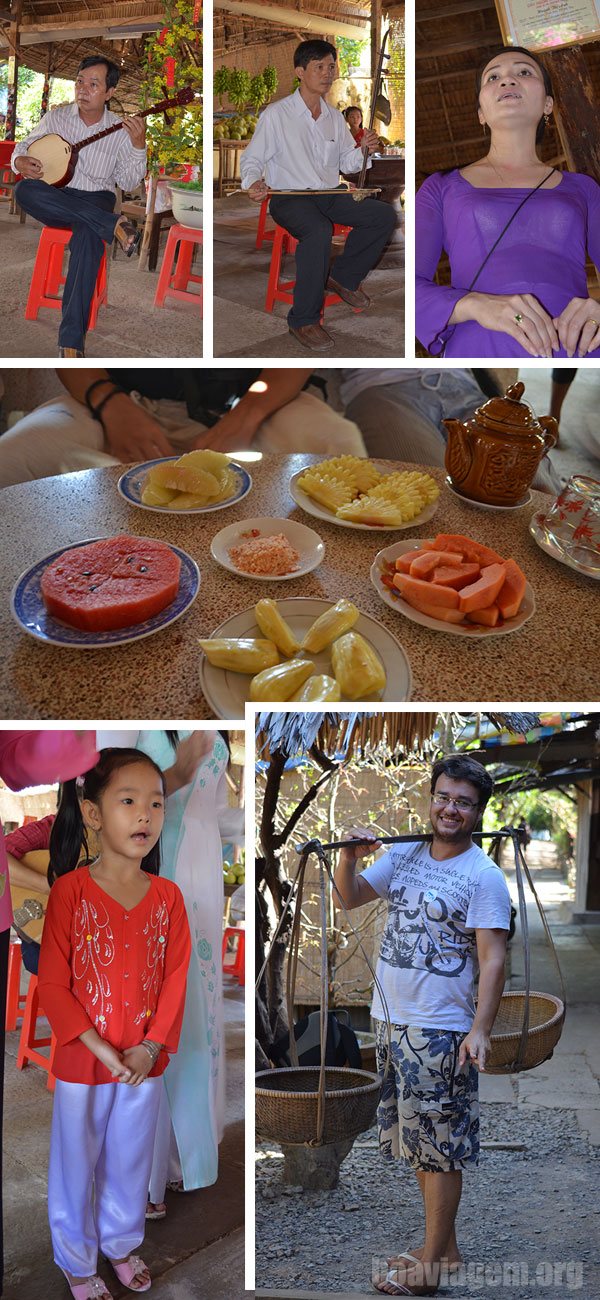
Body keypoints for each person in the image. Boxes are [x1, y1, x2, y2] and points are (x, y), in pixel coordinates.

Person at [332, 755, 511, 1298]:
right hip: (391, 1021)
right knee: (419, 1144)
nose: (450, 808)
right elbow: (351, 896)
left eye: (463, 802)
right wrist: (347, 856)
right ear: (430, 798)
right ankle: (446, 1249)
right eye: (443, 797)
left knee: (440, 1147)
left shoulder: (484, 877)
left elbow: (494, 959)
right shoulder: (407, 853)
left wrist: (479, 1029)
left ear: (476, 812)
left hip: (440, 1030)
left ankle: (430, 1266)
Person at [38, 748, 191, 1300]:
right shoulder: (70, 893)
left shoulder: (169, 898)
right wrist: (102, 1049)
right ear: (94, 813)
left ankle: (121, 1246)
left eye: (156, 803)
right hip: (87, 1062)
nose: (146, 815)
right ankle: (77, 1262)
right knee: (75, 1163)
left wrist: (150, 1049)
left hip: (143, 1065)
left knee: (129, 1160)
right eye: (128, 801)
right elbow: (53, 984)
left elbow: (176, 980)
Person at [96, 730, 244, 1220]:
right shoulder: (131, 719)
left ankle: (179, 1161)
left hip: (201, 877)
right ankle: (138, 1173)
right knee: (149, 1010)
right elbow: (104, 791)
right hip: (152, 871)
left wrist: (250, 830)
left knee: (196, 1014)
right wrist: (176, 772)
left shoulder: (214, 718)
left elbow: (213, 810)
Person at [416, 46, 600, 359]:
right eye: (494, 77)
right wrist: (477, 304)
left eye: (524, 72)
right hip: (482, 346)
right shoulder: (442, 188)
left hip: (578, 347)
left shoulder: (583, 189)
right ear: (480, 113)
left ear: (547, 104)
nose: (508, 80)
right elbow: (407, 288)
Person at [0, 730, 98, 1298]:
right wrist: (52, 887)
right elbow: (11, 855)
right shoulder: (47, 828)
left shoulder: (114, 835)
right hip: (47, 942)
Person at [240, 40, 396, 353]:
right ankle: (303, 319)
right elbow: (252, 159)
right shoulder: (277, 115)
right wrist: (253, 181)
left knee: (383, 216)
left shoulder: (334, 118)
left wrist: (364, 150)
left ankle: (342, 277)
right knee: (318, 231)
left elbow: (346, 164)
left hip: (329, 192)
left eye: (330, 66)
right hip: (290, 197)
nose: (327, 73)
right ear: (300, 72)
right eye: (319, 67)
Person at [0, 366, 366, 486]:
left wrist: (246, 416)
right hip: (115, 397)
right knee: (11, 456)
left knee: (339, 442)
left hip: (254, 400)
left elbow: (292, 366)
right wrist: (112, 405)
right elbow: (65, 362)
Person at [11, 56, 147, 358]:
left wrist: (138, 146)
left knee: (87, 240)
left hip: (96, 197)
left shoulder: (120, 129)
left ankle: (71, 342)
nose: (83, 89)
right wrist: (20, 161)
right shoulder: (56, 118)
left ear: (109, 93)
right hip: (56, 196)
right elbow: (24, 147)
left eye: (93, 84)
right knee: (23, 189)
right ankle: (111, 224)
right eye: (80, 81)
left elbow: (126, 181)